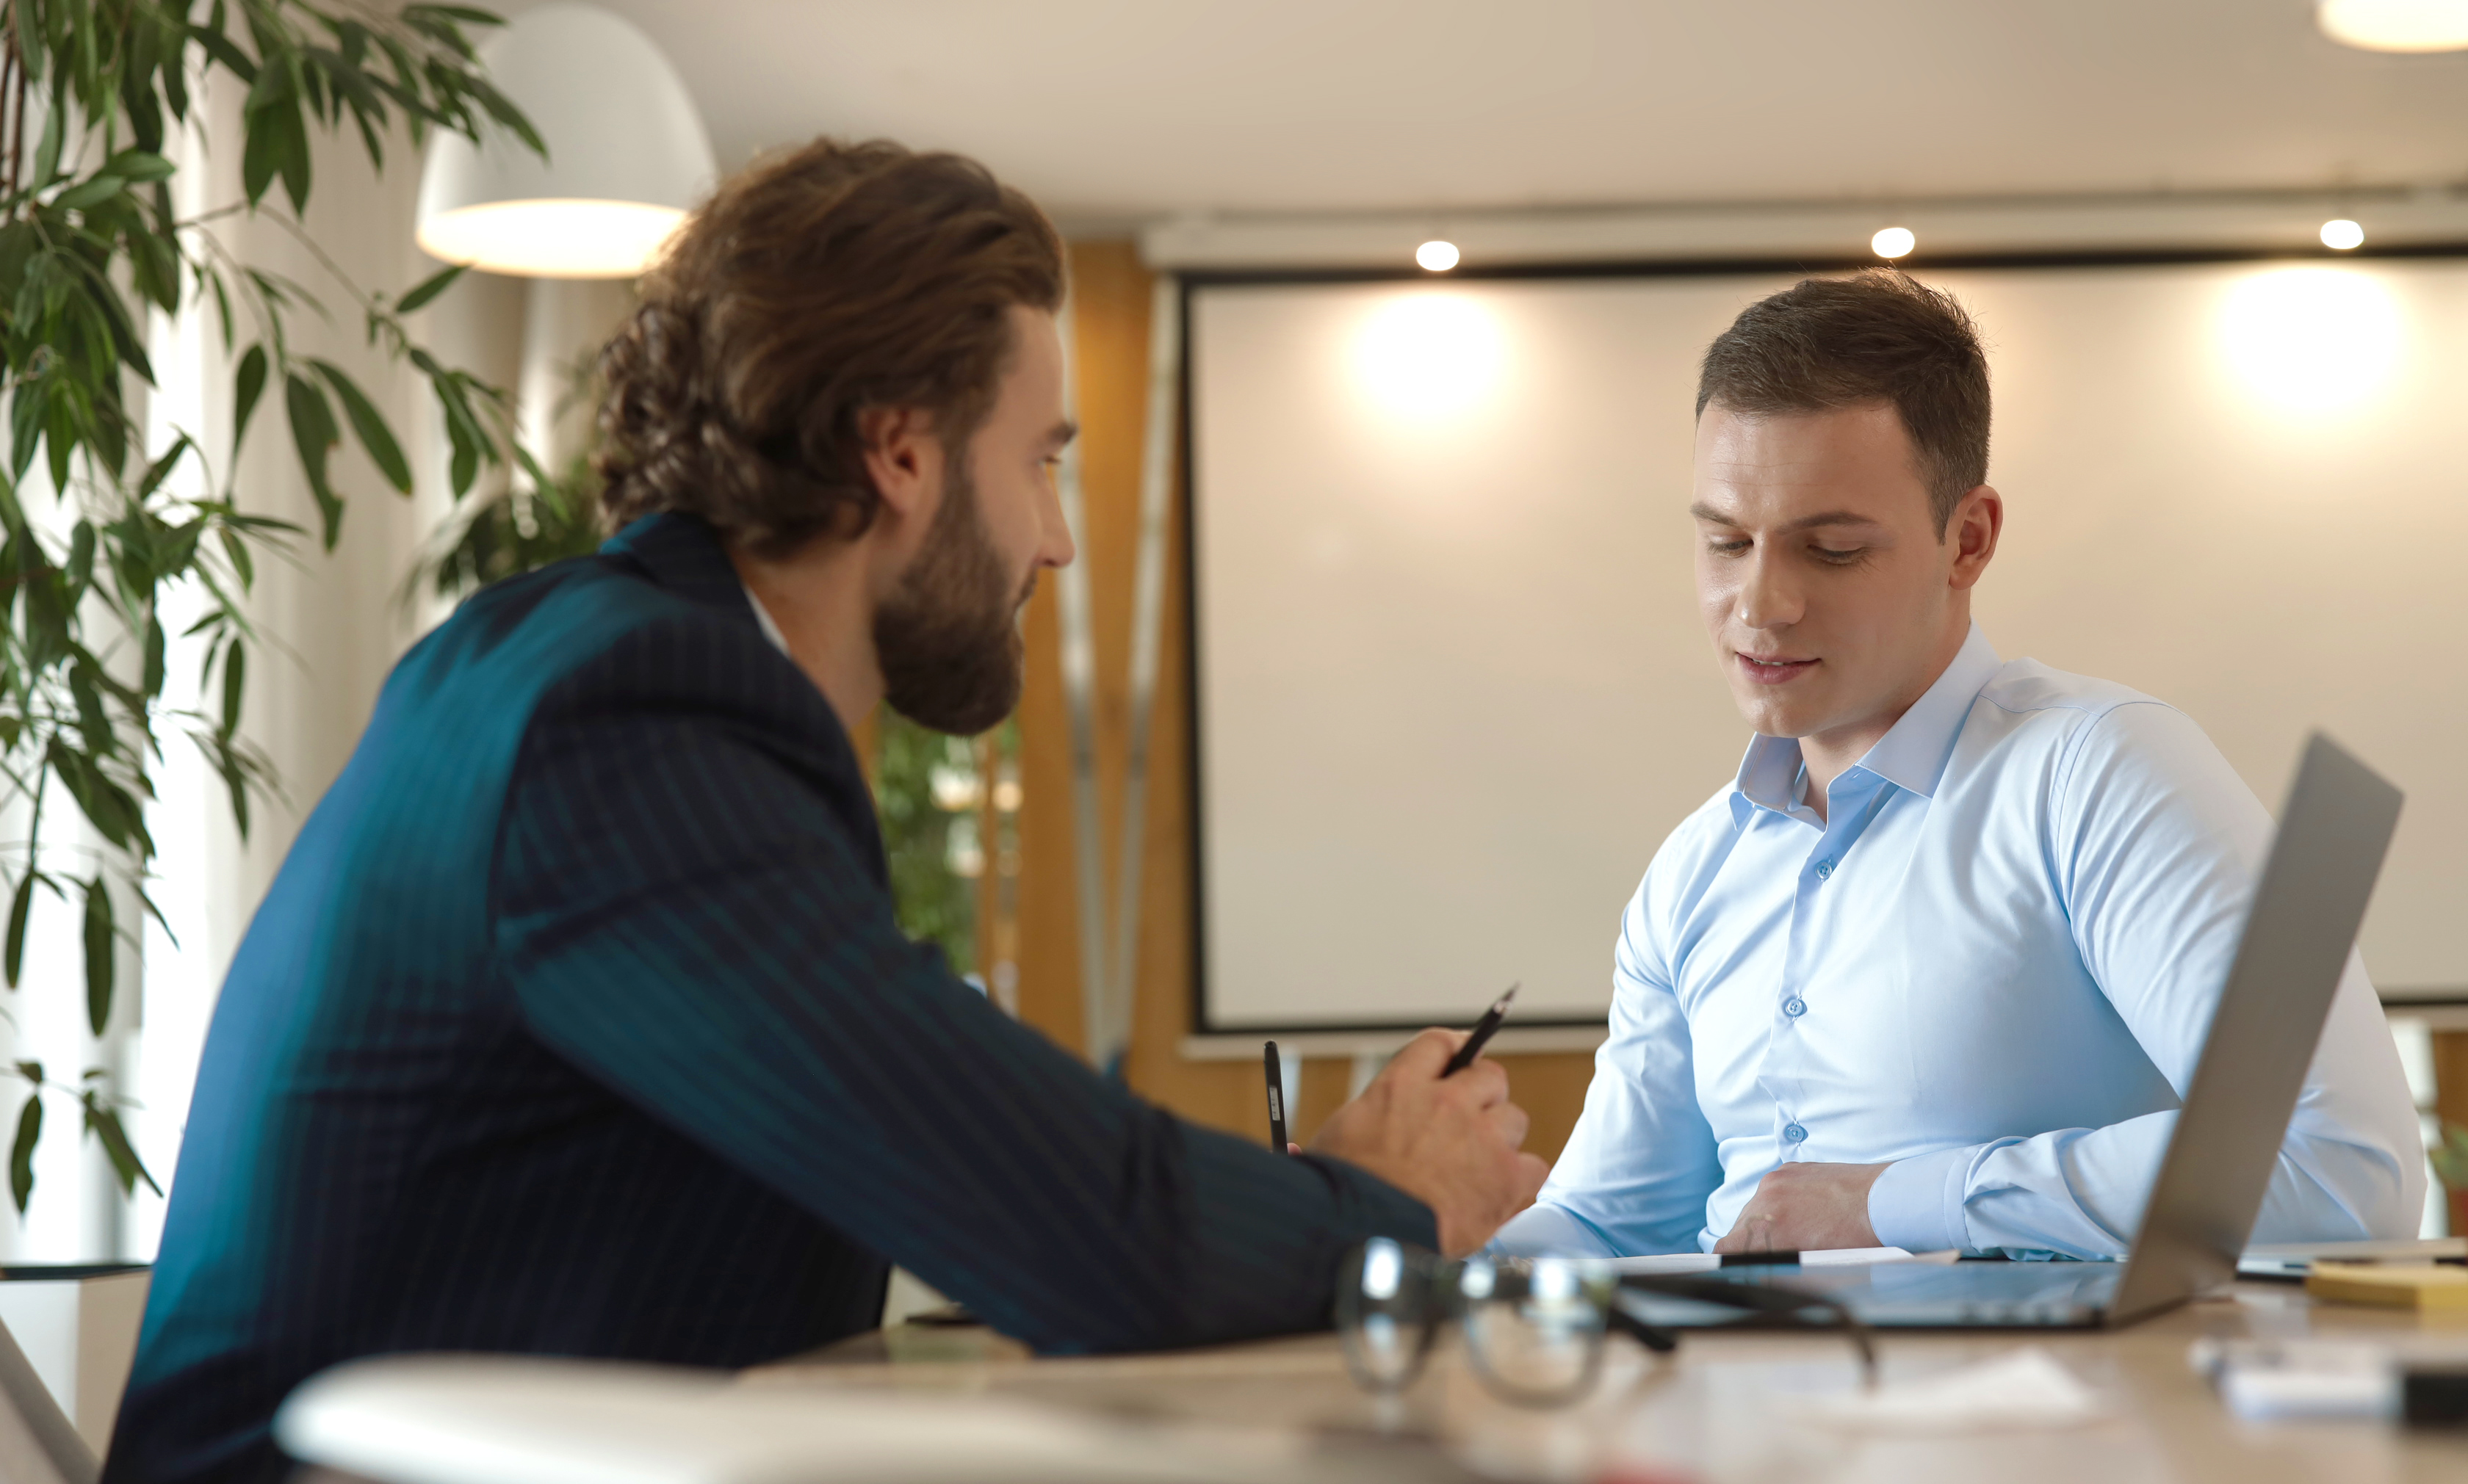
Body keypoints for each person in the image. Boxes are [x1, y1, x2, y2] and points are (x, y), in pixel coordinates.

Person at [107, 139, 1548, 1484]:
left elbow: (967, 1155)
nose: (1054, 539)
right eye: (1040, 461)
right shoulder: (629, 713)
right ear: (899, 451)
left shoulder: (585, 663)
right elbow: (1065, 1221)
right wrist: (1388, 1206)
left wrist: (1302, 1208)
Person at [1497, 270, 2422, 1261]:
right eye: (1726, 542)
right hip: (1715, 1369)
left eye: (1832, 549)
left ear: (1968, 540)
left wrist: (1892, 1201)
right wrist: (1410, 1236)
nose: (1760, 605)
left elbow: (2340, 1166)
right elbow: (1607, 1224)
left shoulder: (2097, 773)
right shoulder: (1691, 870)